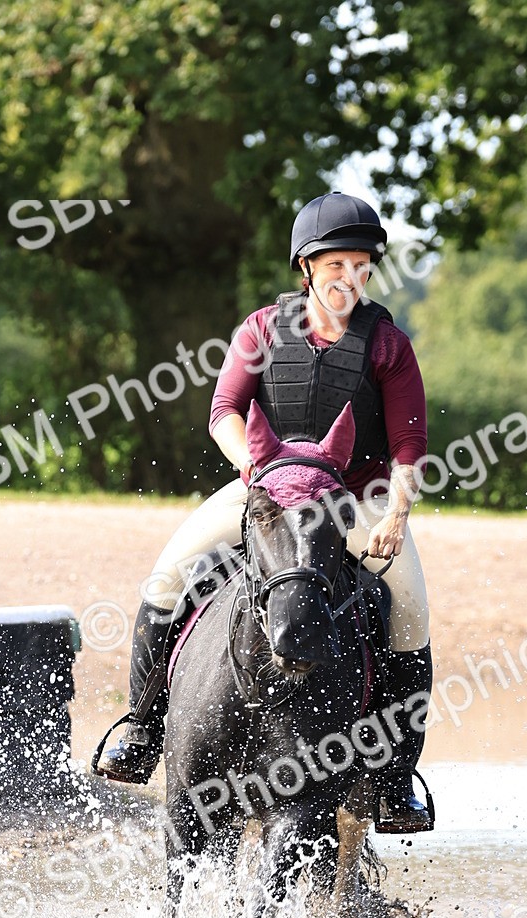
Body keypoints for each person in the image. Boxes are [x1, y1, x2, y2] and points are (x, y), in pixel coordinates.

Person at [96, 192, 432, 830]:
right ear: (306, 268)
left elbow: (410, 444)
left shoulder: (388, 345)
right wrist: (258, 475)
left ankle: (395, 780)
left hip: (356, 497)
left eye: (360, 265)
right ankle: (140, 728)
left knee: (410, 613)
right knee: (167, 579)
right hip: (268, 487)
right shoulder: (259, 330)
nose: (348, 277)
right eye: (334, 264)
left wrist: (396, 516)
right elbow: (224, 410)